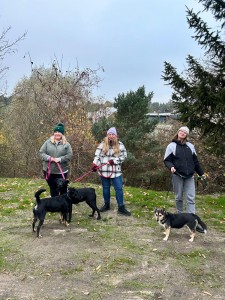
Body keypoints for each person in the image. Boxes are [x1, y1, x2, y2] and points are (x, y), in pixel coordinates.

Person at [164, 126, 205, 214]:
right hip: (177, 175)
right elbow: (167, 160)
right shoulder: (171, 146)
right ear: (178, 132)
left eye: (185, 132)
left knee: (191, 198)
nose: (182, 133)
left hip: (189, 176)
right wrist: (171, 166)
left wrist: (201, 173)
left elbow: (195, 162)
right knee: (178, 197)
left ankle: (192, 219)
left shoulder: (190, 146)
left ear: (187, 135)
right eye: (181, 131)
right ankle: (180, 214)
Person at [92, 127, 131, 216]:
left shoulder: (120, 145)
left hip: (116, 172)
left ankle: (121, 207)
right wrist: (95, 164)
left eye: (113, 134)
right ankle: (106, 204)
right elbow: (97, 156)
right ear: (107, 135)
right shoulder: (102, 145)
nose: (111, 136)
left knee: (119, 189)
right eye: (109, 134)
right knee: (105, 188)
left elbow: (124, 156)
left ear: (116, 135)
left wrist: (114, 161)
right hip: (104, 171)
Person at [39, 123, 73, 197]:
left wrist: (60, 159)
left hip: (61, 172)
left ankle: (64, 205)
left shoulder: (67, 144)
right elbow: (41, 153)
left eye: (59, 132)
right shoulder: (47, 142)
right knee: (53, 188)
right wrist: (49, 158)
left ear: (62, 134)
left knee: (63, 189)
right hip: (49, 171)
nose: (57, 134)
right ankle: (55, 204)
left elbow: (69, 155)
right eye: (55, 132)